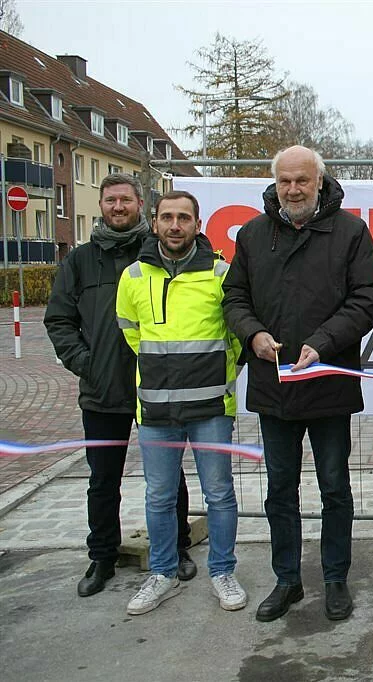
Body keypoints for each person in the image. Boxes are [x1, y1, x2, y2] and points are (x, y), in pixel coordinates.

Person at [222, 145, 373, 622]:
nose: (293, 189)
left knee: (334, 487)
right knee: (280, 489)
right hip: (274, 389)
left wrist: (322, 341)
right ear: (274, 184)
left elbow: (369, 297)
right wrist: (252, 334)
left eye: (302, 181)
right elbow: (233, 296)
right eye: (285, 181)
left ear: (320, 182)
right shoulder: (252, 234)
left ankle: (335, 578)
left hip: (328, 384)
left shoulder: (350, 232)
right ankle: (287, 580)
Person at [44, 173, 195, 598]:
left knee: (168, 478)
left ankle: (178, 547)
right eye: (110, 200)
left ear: (139, 205)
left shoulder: (161, 253)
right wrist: (86, 365)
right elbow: (58, 320)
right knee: (102, 479)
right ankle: (101, 557)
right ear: (102, 205)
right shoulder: (80, 260)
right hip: (102, 391)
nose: (117, 207)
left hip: (156, 388)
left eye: (125, 200)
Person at [116, 191, 245, 615]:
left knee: (220, 495)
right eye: (167, 217)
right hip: (155, 411)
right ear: (154, 222)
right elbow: (131, 333)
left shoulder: (222, 274)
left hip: (211, 408)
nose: (175, 225)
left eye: (183, 218)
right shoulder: (133, 277)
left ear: (197, 223)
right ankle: (162, 574)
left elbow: (237, 337)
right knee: (158, 497)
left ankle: (222, 572)